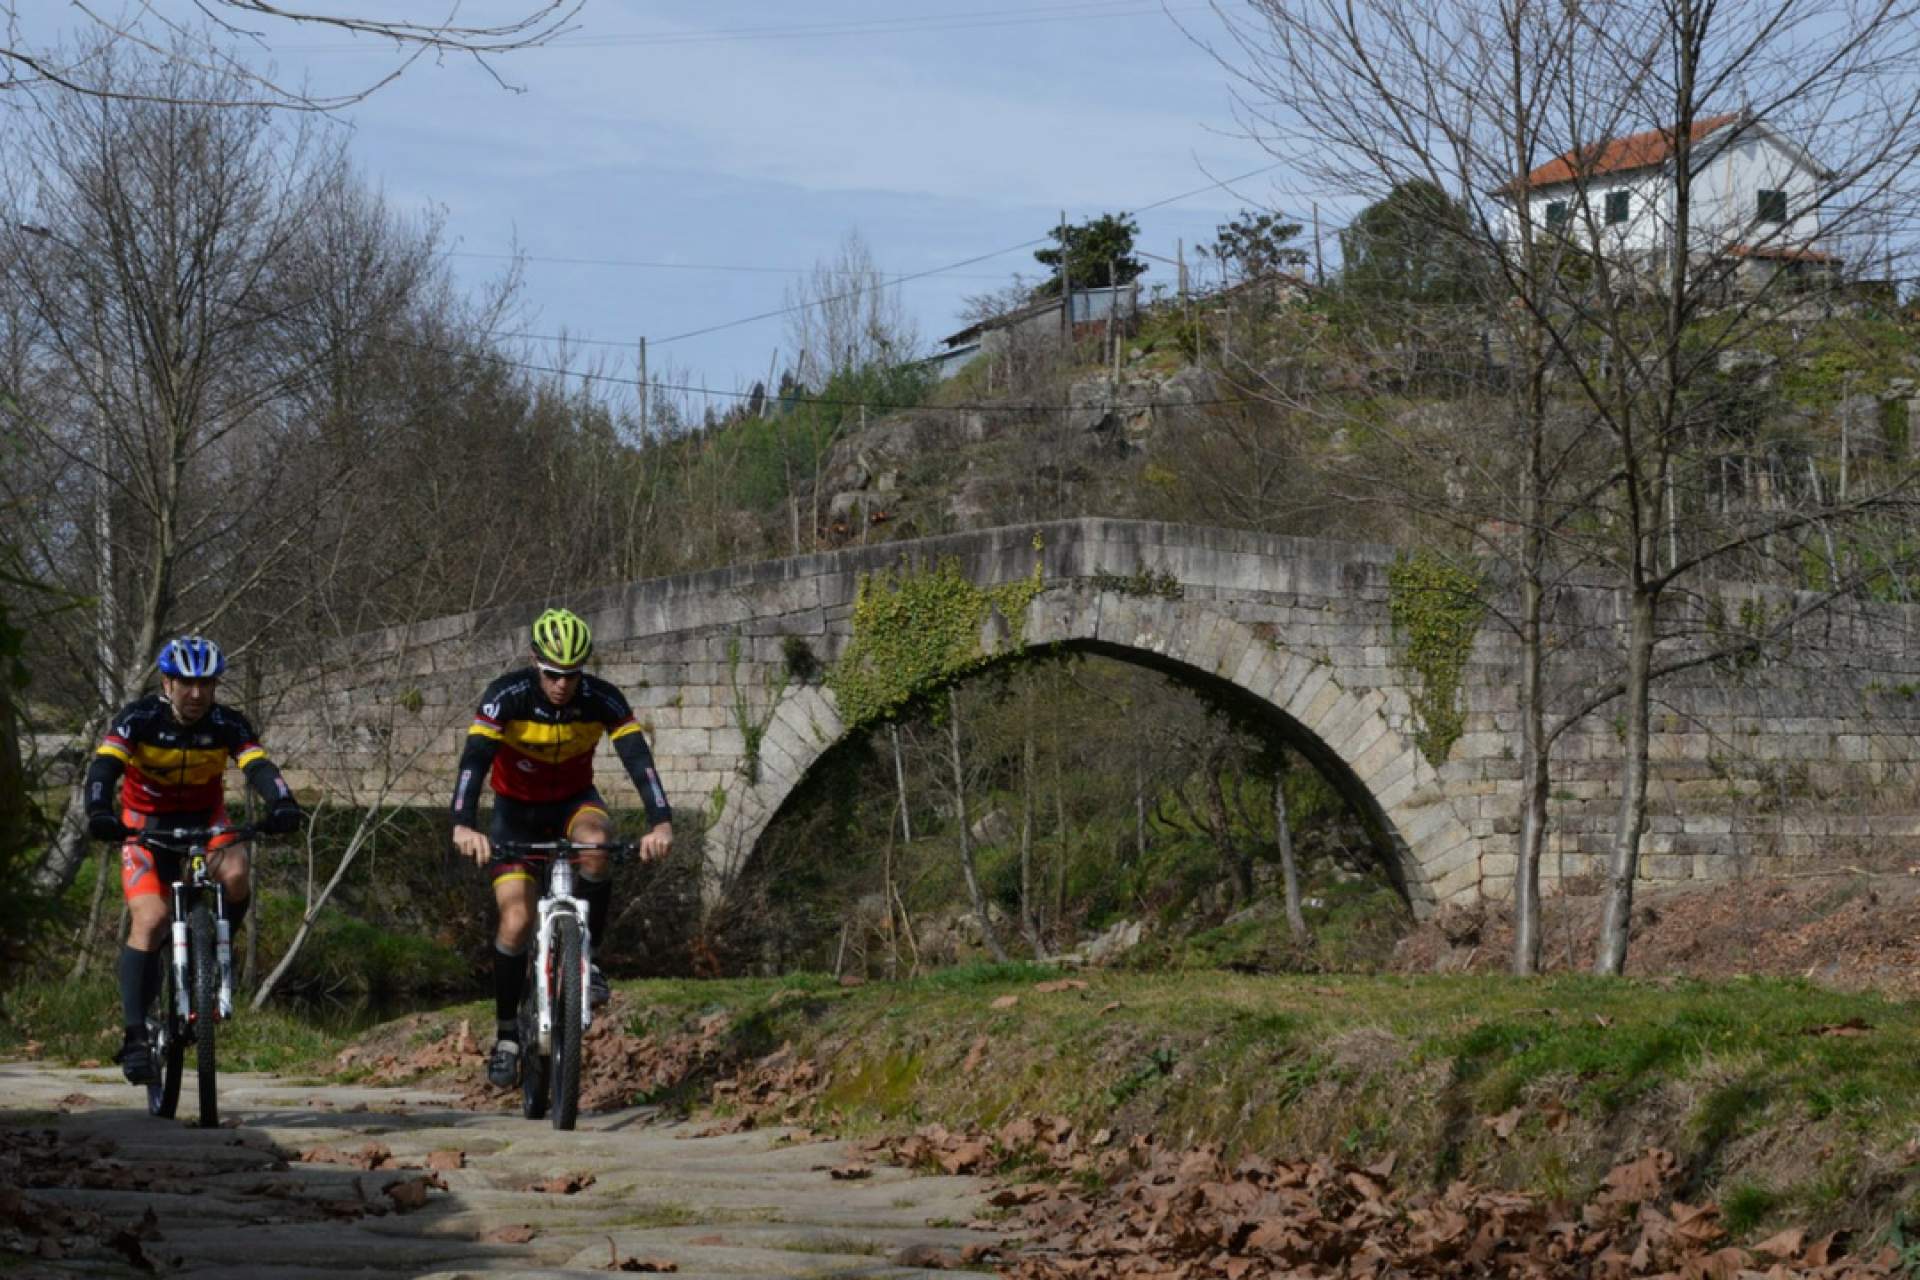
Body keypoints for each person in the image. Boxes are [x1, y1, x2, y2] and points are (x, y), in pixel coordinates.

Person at [449, 607, 673, 1089]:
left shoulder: (602, 699)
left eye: (572, 675)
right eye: (552, 674)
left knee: (596, 845)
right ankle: (508, 1035)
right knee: (516, 920)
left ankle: (587, 961)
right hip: (515, 813)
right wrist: (464, 826)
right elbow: (474, 761)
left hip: (574, 803)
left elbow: (638, 760)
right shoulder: (506, 696)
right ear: (535, 661)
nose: (561, 685)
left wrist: (661, 823)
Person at [84, 635, 305, 1086]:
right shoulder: (139, 718)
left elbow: (260, 767)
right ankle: (134, 1037)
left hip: (206, 820)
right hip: (145, 826)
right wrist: (99, 811)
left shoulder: (227, 722)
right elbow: (104, 767)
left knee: (238, 872)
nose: (198, 694)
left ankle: (218, 949)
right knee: (151, 919)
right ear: (167, 683)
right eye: (187, 683)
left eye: (206, 684)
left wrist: (282, 803)